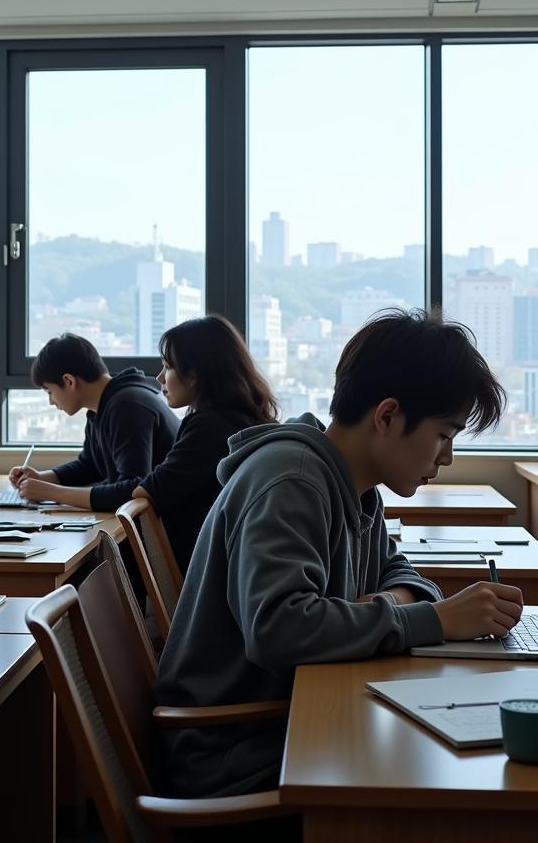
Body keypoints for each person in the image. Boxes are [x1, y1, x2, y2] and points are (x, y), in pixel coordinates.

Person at [156, 309, 523, 800]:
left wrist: (394, 604)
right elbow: (279, 630)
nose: (446, 457)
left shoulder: (355, 484)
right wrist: (433, 620)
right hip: (232, 753)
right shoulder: (294, 479)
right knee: (450, 784)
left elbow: (398, 571)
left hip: (285, 721)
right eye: (443, 435)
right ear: (387, 416)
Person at [132, 315, 279, 573]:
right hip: (236, 566)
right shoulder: (242, 417)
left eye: (168, 367)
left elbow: (149, 491)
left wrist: (55, 494)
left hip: (206, 573)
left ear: (195, 374)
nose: (160, 378)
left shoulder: (209, 427)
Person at [10, 333, 179, 510]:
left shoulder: (127, 406)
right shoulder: (102, 407)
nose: (51, 402)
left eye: (49, 392)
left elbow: (132, 489)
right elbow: (90, 465)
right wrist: (42, 478)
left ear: (69, 381)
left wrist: (52, 493)